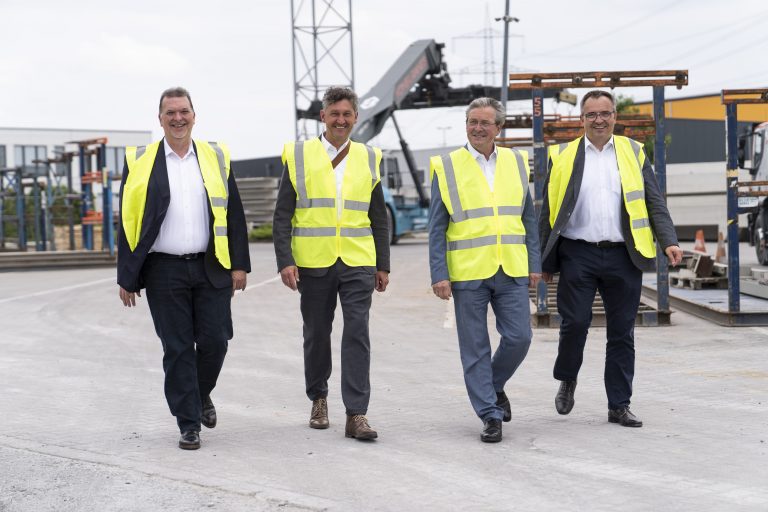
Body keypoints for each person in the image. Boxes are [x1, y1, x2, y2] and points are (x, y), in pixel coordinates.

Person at [539, 89, 683, 428]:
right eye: (591, 114)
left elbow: (653, 200)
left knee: (622, 332)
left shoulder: (633, 152)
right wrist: (544, 261)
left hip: (623, 254)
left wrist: (669, 240)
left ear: (615, 116)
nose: (599, 120)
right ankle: (568, 377)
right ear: (582, 119)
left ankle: (619, 405)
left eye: (605, 113)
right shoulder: (561, 155)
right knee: (575, 323)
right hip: (578, 253)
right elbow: (547, 210)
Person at [117, 87, 251, 450]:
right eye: (170, 113)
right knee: (177, 348)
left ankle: (200, 394)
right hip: (163, 270)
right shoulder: (140, 160)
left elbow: (233, 213)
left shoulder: (215, 157)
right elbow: (127, 220)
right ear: (160, 119)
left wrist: (239, 264)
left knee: (215, 341)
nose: (178, 118)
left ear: (194, 115)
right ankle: (188, 423)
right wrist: (127, 275)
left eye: (183, 111)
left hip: (211, 265)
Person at [273, 86, 390, 441]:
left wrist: (382, 264)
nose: (341, 120)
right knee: (317, 333)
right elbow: (282, 214)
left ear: (356, 118)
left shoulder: (369, 157)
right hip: (313, 262)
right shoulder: (298, 155)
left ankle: (357, 413)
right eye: (334, 114)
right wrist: (285, 260)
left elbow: (378, 217)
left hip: (357, 260)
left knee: (357, 332)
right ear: (322, 116)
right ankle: (319, 398)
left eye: (347, 114)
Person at [429, 97, 541, 443]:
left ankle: (492, 385)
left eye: (484, 123)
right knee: (475, 347)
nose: (477, 128)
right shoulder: (446, 166)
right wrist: (439, 273)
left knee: (520, 337)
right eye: (472, 122)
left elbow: (528, 218)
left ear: (498, 128)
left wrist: (534, 262)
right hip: (468, 273)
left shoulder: (516, 162)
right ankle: (490, 415)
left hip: (511, 267)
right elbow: (437, 226)